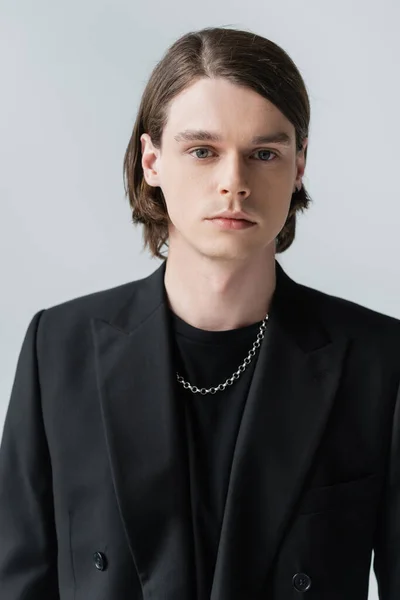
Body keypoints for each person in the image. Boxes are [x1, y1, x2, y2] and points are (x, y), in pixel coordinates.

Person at [0, 25, 399, 600]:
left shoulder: (379, 361)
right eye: (203, 151)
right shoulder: (57, 349)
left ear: (300, 165)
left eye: (264, 153)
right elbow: (20, 582)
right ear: (152, 161)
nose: (233, 182)